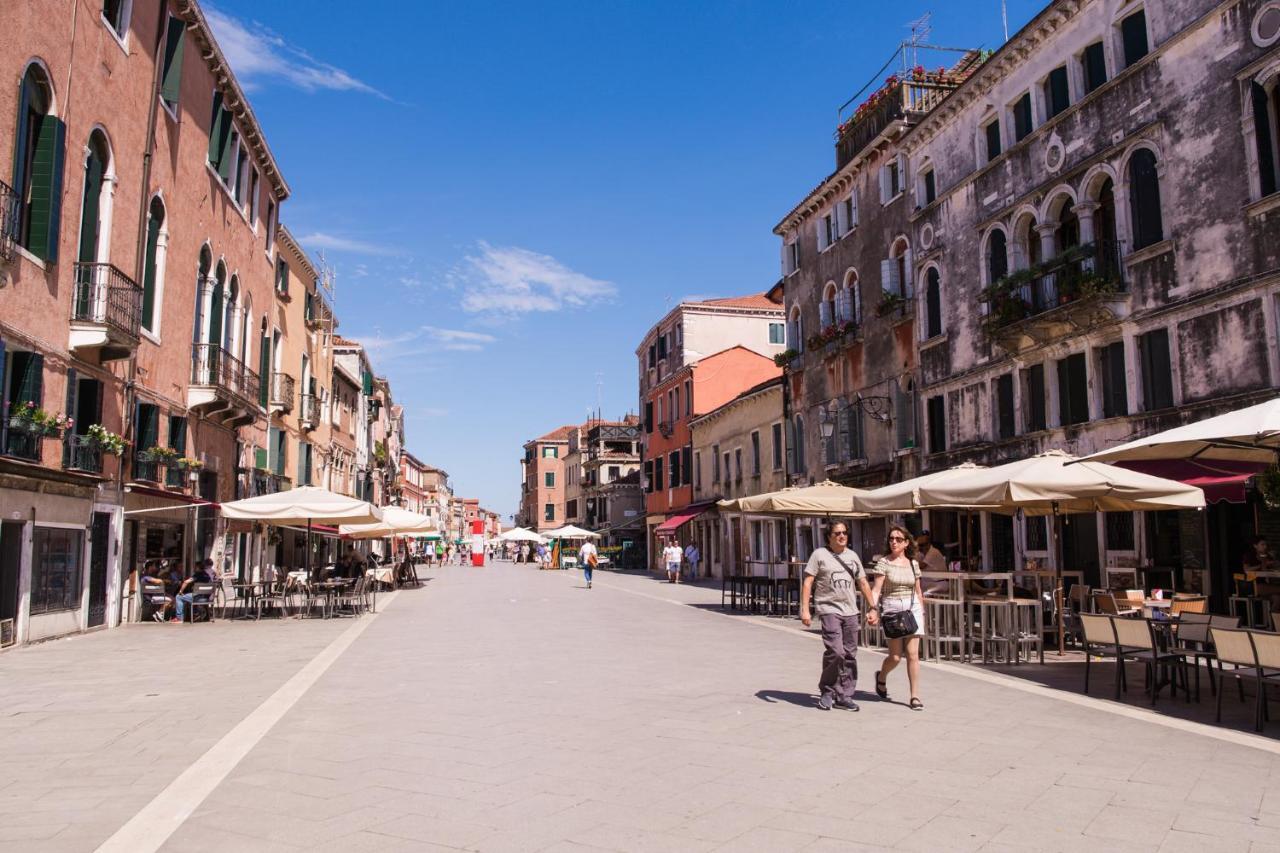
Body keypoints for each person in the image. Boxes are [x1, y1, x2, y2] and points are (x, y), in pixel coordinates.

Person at [800, 521, 878, 711]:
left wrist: (873, 607)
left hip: (851, 610)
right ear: (829, 536)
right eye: (837, 533)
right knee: (836, 652)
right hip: (828, 609)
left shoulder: (852, 556)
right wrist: (805, 609)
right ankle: (827, 691)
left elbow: (863, 583)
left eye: (844, 533)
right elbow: (808, 582)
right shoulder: (819, 555)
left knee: (850, 654)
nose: (842, 536)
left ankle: (844, 695)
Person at [869, 525, 926, 711]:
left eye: (898, 539)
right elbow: (876, 590)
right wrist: (872, 609)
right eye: (891, 539)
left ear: (906, 543)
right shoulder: (883, 563)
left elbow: (918, 590)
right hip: (892, 609)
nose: (894, 542)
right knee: (895, 657)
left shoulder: (913, 563)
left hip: (912, 609)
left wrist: (922, 610)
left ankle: (915, 696)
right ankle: (881, 677)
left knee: (913, 655)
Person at [174, 559, 214, 623]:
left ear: (197, 567)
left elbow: (186, 582)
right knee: (190, 596)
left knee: (178, 597)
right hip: (206, 598)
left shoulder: (197, 575)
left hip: (198, 598)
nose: (194, 568)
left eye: (195, 567)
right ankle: (195, 614)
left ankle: (179, 618)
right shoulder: (207, 575)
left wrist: (180, 591)